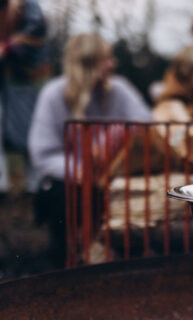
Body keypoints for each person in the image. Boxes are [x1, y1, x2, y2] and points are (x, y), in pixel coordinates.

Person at [28, 33, 151, 266]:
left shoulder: (119, 89)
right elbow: (42, 152)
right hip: (68, 180)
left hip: (112, 174)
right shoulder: (53, 94)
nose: (113, 64)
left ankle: (115, 260)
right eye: (107, 58)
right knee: (64, 196)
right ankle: (65, 262)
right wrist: (82, 169)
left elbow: (146, 123)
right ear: (87, 62)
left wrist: (115, 141)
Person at [0, 0, 50, 194]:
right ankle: (3, 184)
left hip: (31, 79)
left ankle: (37, 184)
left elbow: (36, 30)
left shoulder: (27, 6)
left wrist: (8, 46)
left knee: (34, 128)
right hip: (8, 80)